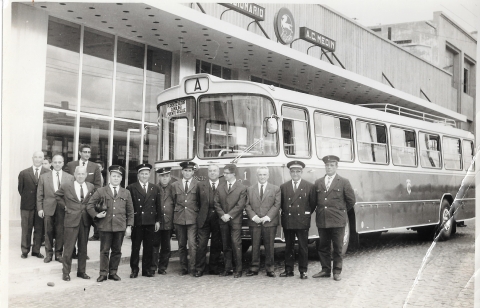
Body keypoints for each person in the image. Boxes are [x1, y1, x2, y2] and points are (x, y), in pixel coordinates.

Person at [86, 165, 134, 282]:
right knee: (104, 251)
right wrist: (96, 215)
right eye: (114, 176)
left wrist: (129, 226)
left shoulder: (126, 192)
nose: (116, 178)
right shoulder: (101, 191)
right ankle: (103, 273)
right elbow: (89, 205)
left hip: (119, 226)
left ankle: (113, 272)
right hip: (105, 226)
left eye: (118, 176)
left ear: (121, 178)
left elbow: (130, 211)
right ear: (110, 177)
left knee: (117, 251)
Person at [312, 155, 356, 281]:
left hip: (337, 220)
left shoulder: (343, 182)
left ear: (336, 167)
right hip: (323, 220)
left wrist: (340, 211)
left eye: (332, 165)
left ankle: (337, 271)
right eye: (327, 165)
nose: (329, 167)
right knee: (323, 247)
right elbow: (315, 200)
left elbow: (351, 200)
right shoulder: (318, 182)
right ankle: (325, 270)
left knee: (337, 247)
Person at [54, 166, 95, 281]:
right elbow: (57, 196)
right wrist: (65, 207)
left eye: (83, 174)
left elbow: (92, 201)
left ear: (86, 175)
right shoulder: (67, 185)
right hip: (71, 220)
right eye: (78, 174)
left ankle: (81, 272)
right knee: (69, 248)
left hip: (85, 220)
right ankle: (66, 273)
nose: (81, 176)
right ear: (75, 174)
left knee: (83, 248)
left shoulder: (91, 186)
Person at [279, 160, 315, 279]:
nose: (295, 174)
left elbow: (312, 204)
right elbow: (282, 204)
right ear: (290, 172)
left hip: (302, 221)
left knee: (303, 247)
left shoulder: (309, 186)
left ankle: (303, 271)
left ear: (302, 172)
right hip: (288, 220)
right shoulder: (284, 187)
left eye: (298, 171)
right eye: (293, 171)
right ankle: (288, 270)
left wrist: (305, 214)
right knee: (288, 246)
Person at [245, 166, 281, 278]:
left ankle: (270, 268)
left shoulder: (275, 189)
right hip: (255, 222)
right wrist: (254, 217)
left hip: (269, 222)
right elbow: (247, 205)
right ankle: (254, 267)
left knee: (269, 246)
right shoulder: (250, 189)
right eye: (260, 174)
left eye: (264, 174)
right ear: (257, 176)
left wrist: (267, 217)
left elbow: (277, 204)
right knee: (254, 245)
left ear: (268, 175)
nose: (262, 177)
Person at [126, 163, 161, 278]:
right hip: (138, 221)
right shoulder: (131, 188)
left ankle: (146, 270)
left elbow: (158, 206)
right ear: (138, 175)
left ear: (149, 174)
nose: (144, 176)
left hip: (150, 221)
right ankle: (134, 270)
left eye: (146, 174)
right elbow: (129, 207)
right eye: (142, 174)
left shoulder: (155, 188)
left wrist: (157, 221)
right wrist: (129, 223)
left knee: (148, 247)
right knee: (135, 247)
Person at [37, 154, 74, 263]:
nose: (57, 164)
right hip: (48, 207)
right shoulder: (44, 176)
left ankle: (58, 254)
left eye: (60, 162)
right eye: (55, 162)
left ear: (63, 163)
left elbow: (71, 194)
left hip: (63, 208)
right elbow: (39, 194)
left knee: (60, 231)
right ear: (52, 163)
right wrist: (40, 208)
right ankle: (48, 254)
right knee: (48, 231)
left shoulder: (69, 177)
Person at [214, 164, 247, 278]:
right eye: (224, 173)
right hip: (223, 220)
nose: (224, 175)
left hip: (235, 220)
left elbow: (240, 204)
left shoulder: (242, 188)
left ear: (233, 174)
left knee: (236, 244)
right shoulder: (220, 187)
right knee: (225, 244)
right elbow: (216, 203)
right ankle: (228, 268)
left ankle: (238, 269)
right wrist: (222, 215)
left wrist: (230, 215)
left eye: (227, 173)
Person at [18, 151, 49, 259]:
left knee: (39, 229)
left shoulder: (47, 172)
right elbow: (20, 189)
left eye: (40, 157)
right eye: (35, 157)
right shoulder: (24, 173)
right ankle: (25, 250)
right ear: (32, 158)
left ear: (43, 159)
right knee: (26, 229)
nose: (37, 159)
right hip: (27, 206)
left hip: (41, 207)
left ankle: (36, 251)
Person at [194, 164, 223, 277]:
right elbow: (197, 201)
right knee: (201, 244)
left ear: (218, 172)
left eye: (215, 171)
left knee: (216, 244)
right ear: (207, 172)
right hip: (204, 218)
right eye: (210, 171)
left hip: (218, 218)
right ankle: (199, 269)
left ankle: (213, 268)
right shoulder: (200, 185)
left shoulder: (223, 184)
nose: (212, 173)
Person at [171, 161, 199, 276]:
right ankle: (183, 268)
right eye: (185, 171)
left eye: (190, 171)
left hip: (192, 218)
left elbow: (200, 201)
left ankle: (193, 268)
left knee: (192, 244)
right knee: (181, 245)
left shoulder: (198, 184)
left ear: (193, 172)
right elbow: (173, 202)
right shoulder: (175, 185)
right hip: (179, 218)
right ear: (182, 171)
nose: (187, 173)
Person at [151, 167, 175, 275]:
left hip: (168, 221)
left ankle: (162, 267)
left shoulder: (174, 188)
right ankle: (153, 267)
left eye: (166, 176)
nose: (164, 179)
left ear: (170, 177)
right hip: (157, 222)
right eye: (162, 176)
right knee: (155, 245)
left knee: (166, 246)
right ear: (159, 177)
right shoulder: (154, 188)